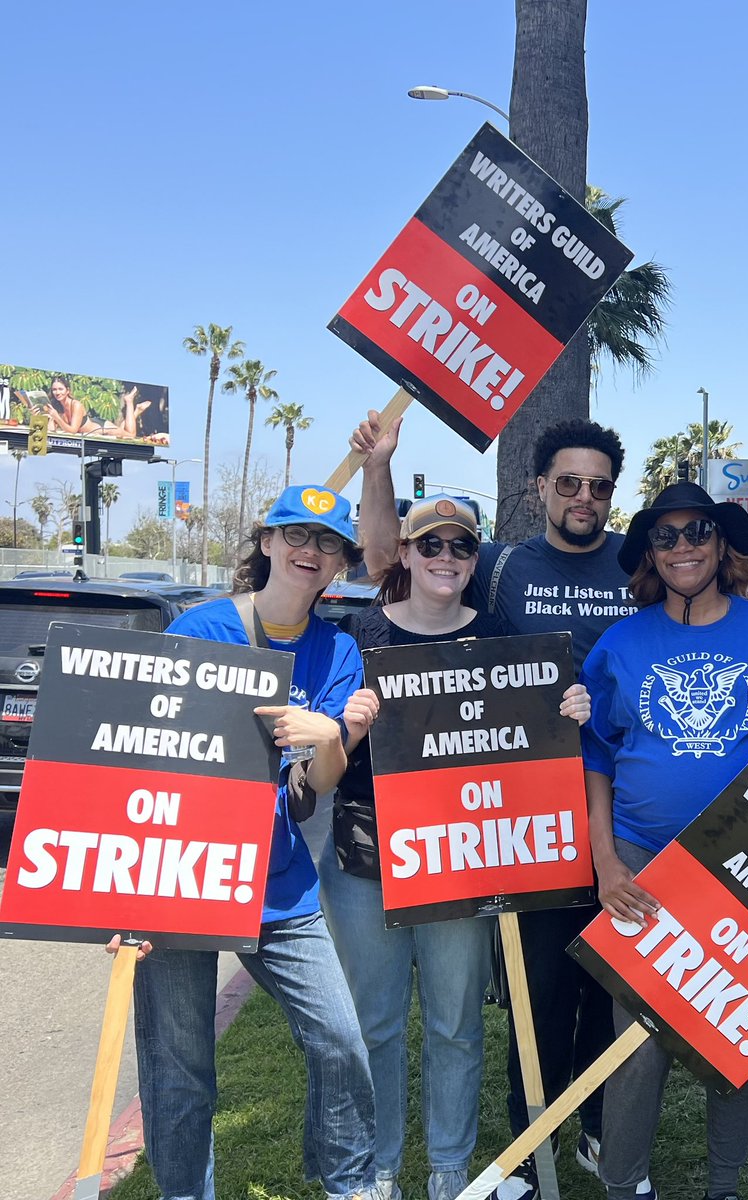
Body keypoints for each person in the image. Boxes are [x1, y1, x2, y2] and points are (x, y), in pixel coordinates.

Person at [353, 412, 638, 1198]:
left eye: (598, 486)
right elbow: (389, 560)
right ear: (538, 487)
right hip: (526, 813)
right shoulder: (497, 564)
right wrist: (380, 467)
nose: (584, 496)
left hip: (622, 802)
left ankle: (592, 1123)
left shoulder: (636, 562)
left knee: (609, 982)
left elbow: (697, 585)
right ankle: (530, 1131)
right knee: (536, 983)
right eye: (569, 482)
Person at [580, 481, 748, 1200]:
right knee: (638, 1032)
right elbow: (595, 756)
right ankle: (624, 1182)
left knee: (736, 1025)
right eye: (664, 537)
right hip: (641, 856)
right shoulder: (619, 645)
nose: (682, 547)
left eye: (697, 531)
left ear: (722, 542)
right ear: (647, 554)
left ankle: (723, 1185)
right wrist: (605, 862)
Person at [319, 494, 592, 1200]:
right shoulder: (360, 635)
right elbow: (325, 763)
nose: (446, 559)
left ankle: (447, 1163)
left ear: (476, 560)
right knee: (374, 1023)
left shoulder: (499, 634)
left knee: (455, 1024)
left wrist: (566, 712)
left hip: (462, 859)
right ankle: (378, 1167)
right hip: (368, 856)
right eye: (430, 546)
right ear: (403, 554)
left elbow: (528, 743)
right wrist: (345, 726)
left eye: (460, 547)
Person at [127, 484, 382, 1200]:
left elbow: (308, 793)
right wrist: (112, 894)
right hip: (179, 875)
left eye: (327, 542)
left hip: (278, 878)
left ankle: (351, 1185)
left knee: (339, 1040)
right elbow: (136, 756)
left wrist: (336, 736)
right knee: (181, 1069)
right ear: (266, 542)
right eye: (296, 535)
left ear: (339, 565)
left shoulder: (337, 652)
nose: (310, 551)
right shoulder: (204, 627)